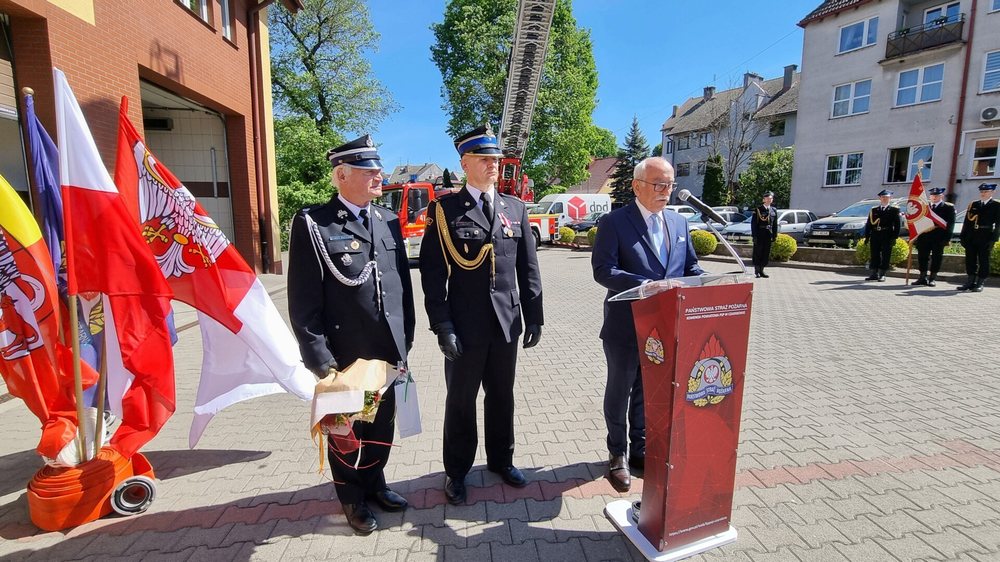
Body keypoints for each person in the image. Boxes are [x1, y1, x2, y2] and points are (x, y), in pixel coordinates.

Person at [287, 135, 415, 535]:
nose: (378, 174)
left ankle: (375, 483)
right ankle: (352, 499)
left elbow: (402, 288)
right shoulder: (314, 223)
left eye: (378, 167)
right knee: (346, 431)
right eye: (367, 169)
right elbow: (303, 301)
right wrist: (321, 362)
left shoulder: (387, 220)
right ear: (341, 175)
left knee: (382, 426)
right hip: (345, 354)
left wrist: (406, 338)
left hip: (387, 349)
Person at [419, 124, 543, 505]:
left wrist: (535, 315)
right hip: (465, 325)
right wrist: (442, 325)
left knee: (502, 395)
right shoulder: (444, 210)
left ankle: (501, 460)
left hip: (506, 321)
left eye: (496, 160)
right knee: (461, 399)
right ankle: (456, 472)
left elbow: (529, 268)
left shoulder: (515, 208)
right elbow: (433, 274)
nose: (493, 165)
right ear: (465, 163)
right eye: (485, 160)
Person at [591, 157, 704, 493]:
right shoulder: (614, 222)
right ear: (637, 185)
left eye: (669, 184)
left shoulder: (679, 224)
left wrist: (708, 283)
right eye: (658, 184)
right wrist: (644, 285)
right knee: (621, 389)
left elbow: (691, 268)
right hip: (626, 326)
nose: (666, 191)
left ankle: (640, 449)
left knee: (648, 389)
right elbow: (603, 270)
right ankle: (617, 453)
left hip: (666, 326)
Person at [958, 183, 1000, 292]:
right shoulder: (974, 204)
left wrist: (993, 239)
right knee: (970, 259)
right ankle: (970, 281)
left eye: (986, 191)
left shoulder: (996, 205)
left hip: (986, 235)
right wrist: (963, 236)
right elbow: (967, 222)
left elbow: (998, 225)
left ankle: (980, 282)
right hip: (972, 235)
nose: (983, 193)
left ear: (992, 192)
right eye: (982, 191)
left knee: (983, 260)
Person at [913, 187, 956, 287]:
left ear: (941, 196)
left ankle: (932, 278)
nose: (934, 197)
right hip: (924, 237)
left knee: (936, 258)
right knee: (922, 257)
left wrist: (947, 239)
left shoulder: (948, 207)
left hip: (939, 237)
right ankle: (922, 277)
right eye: (932, 195)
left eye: (937, 195)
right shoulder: (925, 207)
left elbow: (951, 224)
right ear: (930, 196)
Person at [863, 189, 901, 282]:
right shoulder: (874, 210)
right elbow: (869, 224)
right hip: (875, 234)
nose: (885, 199)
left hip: (887, 234)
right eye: (883, 197)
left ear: (890, 198)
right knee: (874, 254)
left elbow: (897, 225)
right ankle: (874, 273)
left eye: (887, 197)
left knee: (885, 255)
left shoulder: (894, 210)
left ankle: (882, 274)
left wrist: (894, 237)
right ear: (880, 198)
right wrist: (867, 236)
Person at [751, 191, 778, 278]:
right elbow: (754, 224)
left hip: (768, 234)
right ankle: (757, 271)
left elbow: (775, 224)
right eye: (768, 198)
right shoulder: (758, 210)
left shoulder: (773, 210)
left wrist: (774, 235)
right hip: (760, 233)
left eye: (771, 198)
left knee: (766, 253)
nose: (769, 200)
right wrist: (754, 236)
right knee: (758, 252)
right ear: (764, 199)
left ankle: (762, 270)